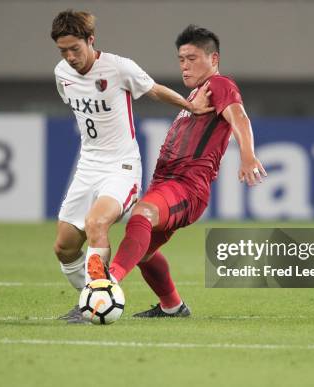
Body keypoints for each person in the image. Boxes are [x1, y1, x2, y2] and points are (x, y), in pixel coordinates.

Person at [87, 24, 267, 317]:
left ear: (214, 59)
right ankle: (172, 306)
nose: (185, 66)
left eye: (193, 58)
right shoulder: (196, 98)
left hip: (187, 186)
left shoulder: (219, 85)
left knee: (142, 215)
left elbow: (240, 117)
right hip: (166, 184)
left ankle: (106, 284)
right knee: (142, 252)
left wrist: (247, 154)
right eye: (181, 59)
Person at [50, 11, 213, 323]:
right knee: (64, 247)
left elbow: (153, 89)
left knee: (97, 223)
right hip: (88, 167)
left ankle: (94, 303)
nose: (70, 57)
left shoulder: (117, 67)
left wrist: (189, 105)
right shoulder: (62, 74)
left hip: (120, 167)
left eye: (75, 49)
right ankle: (94, 296)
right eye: (63, 51)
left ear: (90, 40)